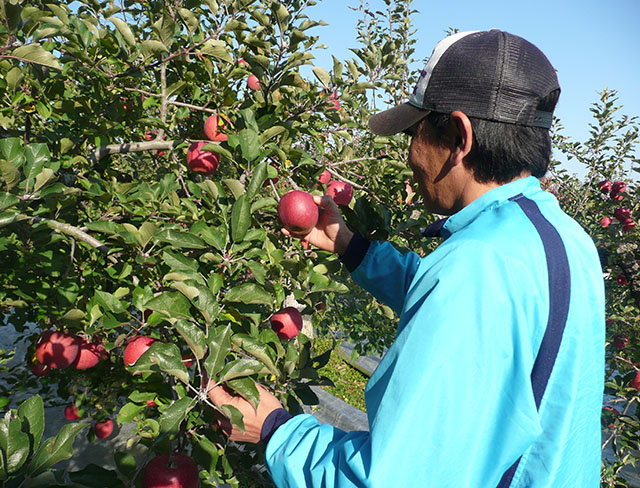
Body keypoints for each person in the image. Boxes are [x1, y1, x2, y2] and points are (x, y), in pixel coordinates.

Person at [208, 29, 605, 487]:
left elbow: (394, 479)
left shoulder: (474, 267)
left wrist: (277, 428)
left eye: (415, 134)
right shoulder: (562, 238)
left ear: (458, 136)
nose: (410, 156)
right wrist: (348, 244)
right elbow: (463, 307)